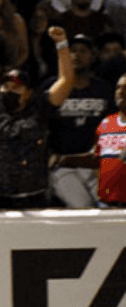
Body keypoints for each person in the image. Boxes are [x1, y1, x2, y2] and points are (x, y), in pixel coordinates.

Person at [0, 27, 75, 209]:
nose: (9, 91)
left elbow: (66, 81)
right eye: (5, 87)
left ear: (27, 93)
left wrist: (62, 44)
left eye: (15, 88)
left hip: (34, 196)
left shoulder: (40, 110)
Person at [54, 74, 126, 207]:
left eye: (125, 89)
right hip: (109, 198)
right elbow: (95, 157)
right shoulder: (107, 123)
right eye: (118, 88)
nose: (121, 92)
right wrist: (63, 159)